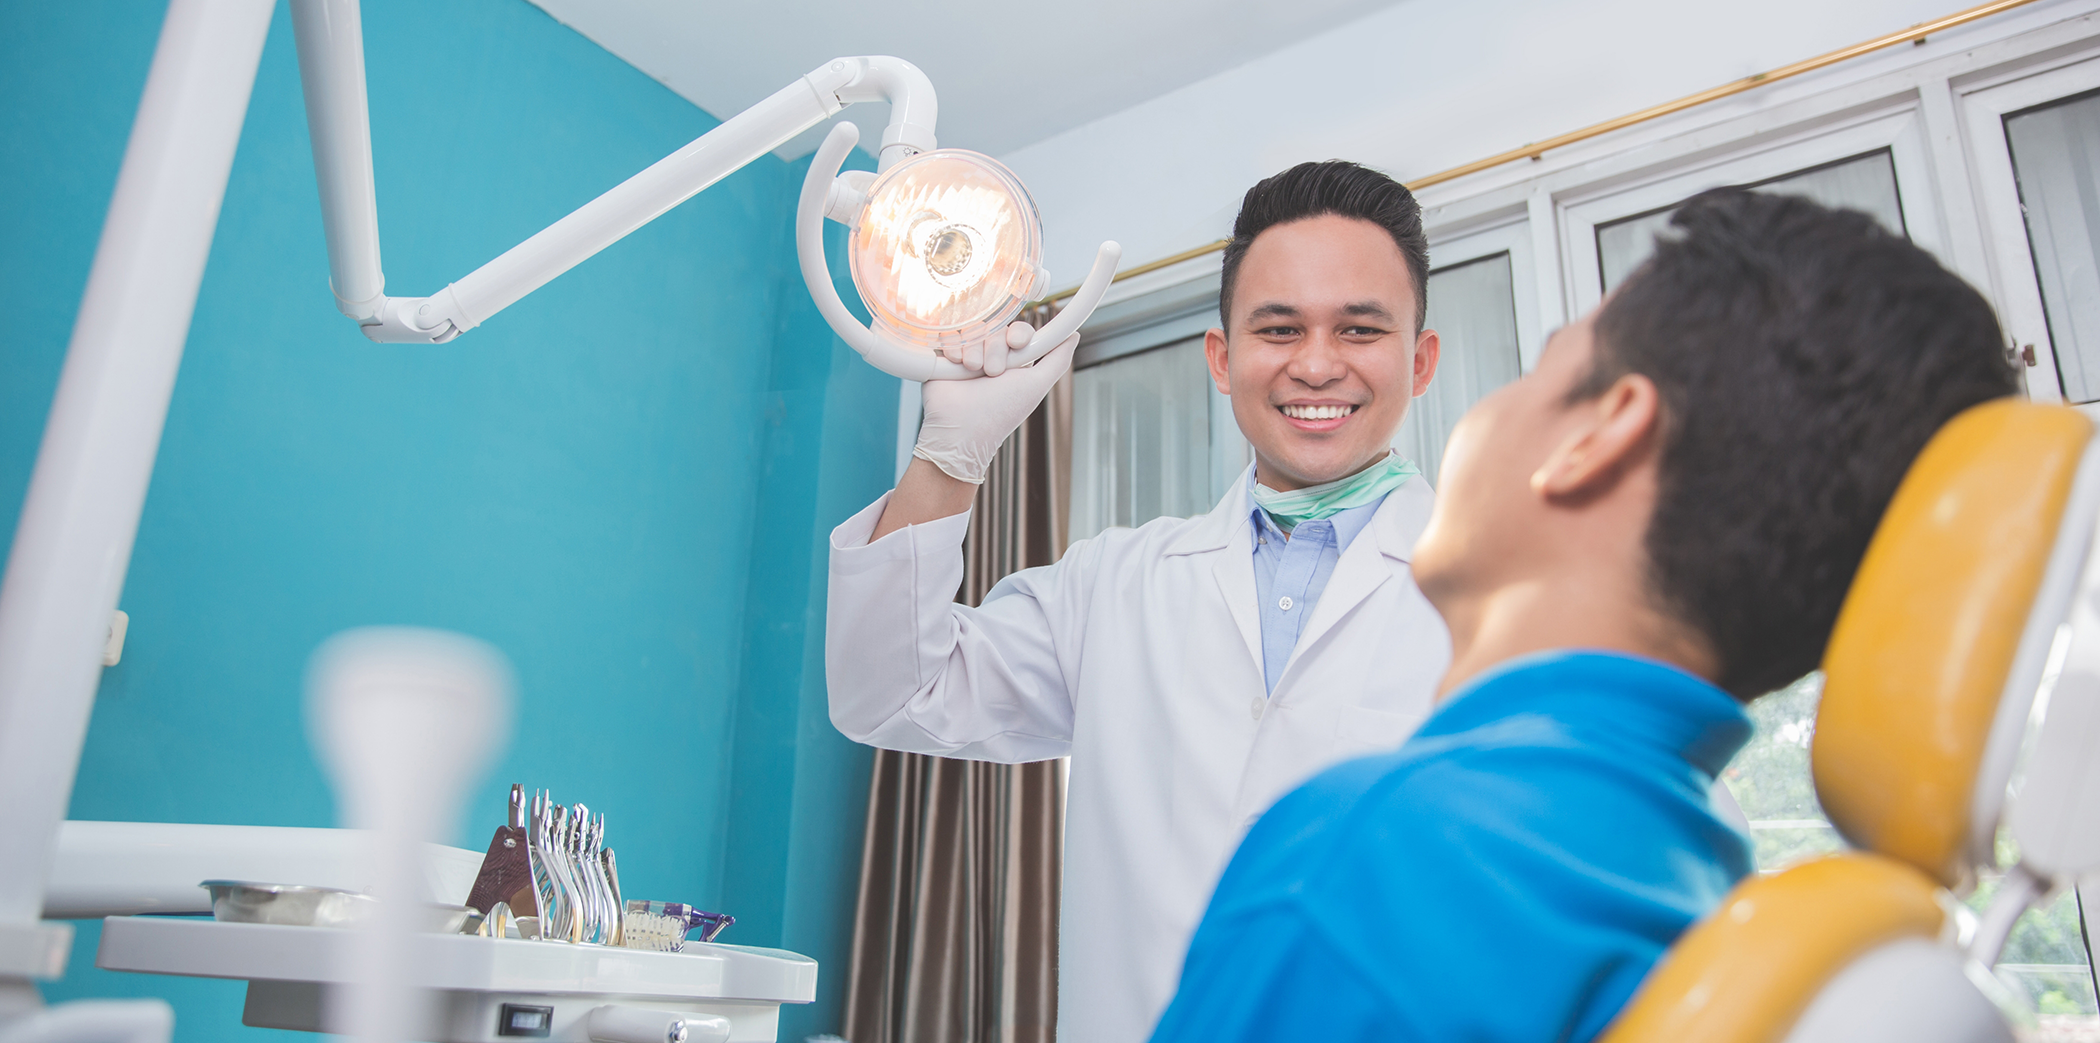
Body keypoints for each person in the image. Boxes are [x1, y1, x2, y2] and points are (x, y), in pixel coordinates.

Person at [1145, 188, 2022, 1043]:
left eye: (1545, 366)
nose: (1317, 360)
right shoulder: (1695, 860)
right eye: (1281, 328)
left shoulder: (1368, 862)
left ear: (1598, 436)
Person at [824, 161, 1450, 1042]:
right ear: (1222, 360)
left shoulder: (1507, 597)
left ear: (1419, 361)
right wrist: (950, 453)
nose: (1316, 364)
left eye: (1358, 329)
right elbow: (886, 691)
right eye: (1279, 328)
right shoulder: (1114, 585)